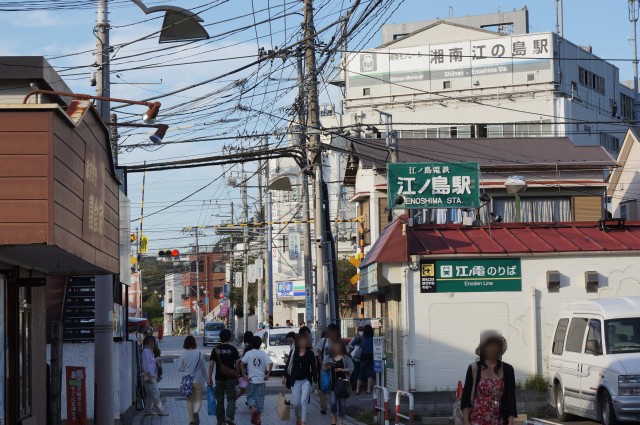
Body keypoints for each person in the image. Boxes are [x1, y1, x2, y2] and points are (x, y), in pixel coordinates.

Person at [461, 330, 517, 425]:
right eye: (489, 345)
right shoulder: (473, 368)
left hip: (500, 420)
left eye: (496, 345)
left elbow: (511, 398)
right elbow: (465, 397)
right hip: (476, 420)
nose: (492, 348)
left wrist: (511, 420)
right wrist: (466, 421)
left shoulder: (508, 369)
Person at [283, 334, 317, 425]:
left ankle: (303, 422)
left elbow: (314, 368)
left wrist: (315, 382)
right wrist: (284, 376)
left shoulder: (310, 353)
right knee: (297, 403)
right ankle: (298, 417)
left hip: (306, 380)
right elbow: (288, 365)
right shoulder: (293, 352)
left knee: (304, 401)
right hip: (295, 381)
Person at [208, 329, 240, 425]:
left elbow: (211, 365)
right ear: (230, 338)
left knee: (220, 399)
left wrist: (209, 378)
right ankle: (229, 417)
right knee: (231, 398)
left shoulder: (215, 350)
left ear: (220, 337)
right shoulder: (233, 349)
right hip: (230, 378)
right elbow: (237, 364)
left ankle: (220, 421)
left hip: (219, 378)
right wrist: (237, 376)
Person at [241, 336, 273, 425]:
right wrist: (268, 374)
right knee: (260, 399)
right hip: (261, 380)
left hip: (252, 380)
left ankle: (254, 409)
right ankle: (258, 419)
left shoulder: (249, 353)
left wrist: (244, 375)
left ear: (251, 343)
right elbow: (270, 363)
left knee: (250, 397)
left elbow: (242, 363)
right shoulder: (263, 354)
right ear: (260, 344)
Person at [178, 336, 207, 425]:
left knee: (189, 400)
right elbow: (203, 368)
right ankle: (196, 412)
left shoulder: (182, 354)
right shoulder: (199, 353)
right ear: (194, 343)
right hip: (198, 380)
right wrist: (206, 379)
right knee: (198, 399)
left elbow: (179, 368)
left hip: (187, 381)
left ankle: (191, 420)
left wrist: (186, 370)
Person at [141, 336, 169, 416]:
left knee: (150, 394)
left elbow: (150, 362)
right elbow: (146, 365)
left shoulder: (149, 351)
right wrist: (149, 376)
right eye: (154, 342)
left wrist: (156, 360)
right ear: (150, 343)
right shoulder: (146, 351)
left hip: (152, 376)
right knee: (156, 393)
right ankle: (161, 410)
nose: (154, 344)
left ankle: (148, 410)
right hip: (150, 376)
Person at [315, 324, 340, 414]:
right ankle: (323, 407)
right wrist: (321, 363)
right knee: (324, 386)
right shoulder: (324, 340)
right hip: (325, 368)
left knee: (333, 387)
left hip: (335, 368)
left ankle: (333, 405)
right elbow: (317, 351)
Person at [329, 341, 354, 425]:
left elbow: (351, 368)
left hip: (343, 382)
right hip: (333, 383)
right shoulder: (330, 356)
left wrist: (342, 370)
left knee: (342, 403)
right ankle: (333, 416)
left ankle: (340, 419)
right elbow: (324, 367)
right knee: (332, 403)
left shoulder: (346, 356)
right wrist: (327, 367)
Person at [356, 324, 375, 395]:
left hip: (363, 357)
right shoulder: (373, 338)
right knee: (370, 373)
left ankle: (357, 390)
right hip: (370, 356)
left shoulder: (361, 338)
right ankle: (368, 390)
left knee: (361, 373)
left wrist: (359, 345)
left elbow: (352, 343)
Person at [236, 331, 254, 399]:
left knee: (243, 390)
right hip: (252, 371)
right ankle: (251, 402)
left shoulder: (247, 348)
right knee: (247, 389)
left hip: (247, 371)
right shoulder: (253, 347)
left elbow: (244, 361)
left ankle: (232, 401)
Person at [347, 326, 364, 391]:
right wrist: (356, 346)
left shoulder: (363, 338)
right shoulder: (356, 338)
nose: (360, 332)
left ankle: (356, 386)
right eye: (360, 331)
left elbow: (349, 345)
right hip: (356, 357)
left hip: (358, 357)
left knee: (357, 373)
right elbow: (349, 345)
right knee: (356, 373)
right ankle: (355, 386)